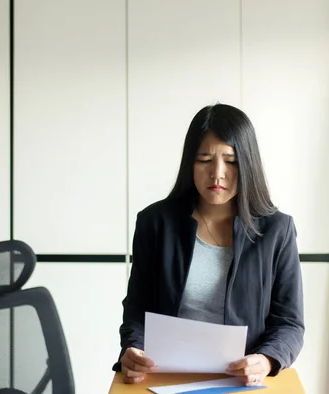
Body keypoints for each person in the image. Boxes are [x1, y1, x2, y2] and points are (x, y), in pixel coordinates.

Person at [112, 103, 304, 387]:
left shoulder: (277, 230)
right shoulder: (155, 223)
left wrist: (265, 359)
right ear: (190, 163)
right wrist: (133, 347)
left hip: (243, 380)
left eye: (231, 160)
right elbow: (138, 309)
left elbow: (289, 324)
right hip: (166, 378)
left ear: (248, 163)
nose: (217, 173)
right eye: (204, 159)